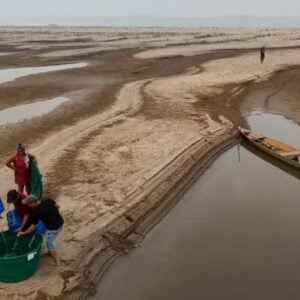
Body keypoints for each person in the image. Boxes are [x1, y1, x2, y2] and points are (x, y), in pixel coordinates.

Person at [18, 195, 64, 266]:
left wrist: (23, 233)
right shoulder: (47, 199)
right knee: (51, 240)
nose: (28, 206)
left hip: (52, 229)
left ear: (32, 203)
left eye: (28, 204)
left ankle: (56, 260)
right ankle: (49, 252)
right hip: (60, 223)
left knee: (51, 244)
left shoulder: (36, 212)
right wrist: (50, 213)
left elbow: (32, 227)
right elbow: (58, 206)